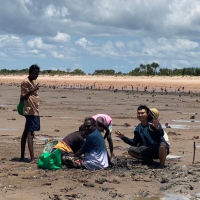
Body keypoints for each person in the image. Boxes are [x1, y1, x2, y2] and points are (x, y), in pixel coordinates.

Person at [20, 64, 40, 163]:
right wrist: (31, 91)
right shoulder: (25, 82)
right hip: (30, 111)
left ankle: (22, 157)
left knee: (25, 133)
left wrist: (34, 91)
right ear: (29, 73)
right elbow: (22, 98)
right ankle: (32, 158)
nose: (35, 75)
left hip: (34, 110)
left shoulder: (32, 81)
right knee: (30, 134)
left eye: (37, 74)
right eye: (34, 74)